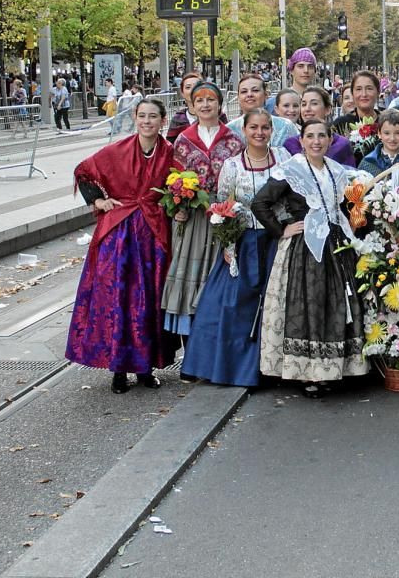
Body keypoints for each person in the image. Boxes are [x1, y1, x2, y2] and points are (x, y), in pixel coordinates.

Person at [67, 98, 179, 394]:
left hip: (154, 235)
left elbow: (181, 186)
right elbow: (84, 170)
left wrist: (177, 203)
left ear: (162, 121)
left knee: (150, 301)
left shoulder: (170, 153)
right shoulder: (118, 150)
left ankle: (145, 368)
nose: (147, 122)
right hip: (119, 236)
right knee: (119, 299)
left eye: (153, 117)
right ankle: (118, 369)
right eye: (142, 116)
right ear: (135, 119)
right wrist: (99, 201)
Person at [252, 118, 370, 393]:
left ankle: (333, 368)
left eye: (322, 136)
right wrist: (282, 228)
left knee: (336, 302)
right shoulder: (291, 169)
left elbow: (350, 200)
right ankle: (308, 372)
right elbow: (260, 203)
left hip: (337, 246)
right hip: (304, 248)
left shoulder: (336, 170)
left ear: (330, 140)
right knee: (309, 303)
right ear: (302, 141)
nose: (316, 141)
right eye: (311, 136)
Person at [179, 109, 291, 388]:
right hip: (244, 240)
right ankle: (233, 367)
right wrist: (228, 243)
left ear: (271, 131)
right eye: (254, 127)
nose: (259, 133)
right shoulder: (232, 165)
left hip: (276, 238)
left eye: (265, 128)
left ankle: (273, 367)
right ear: (244, 130)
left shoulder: (284, 159)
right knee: (232, 304)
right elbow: (220, 204)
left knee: (275, 302)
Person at [160, 81, 245, 346]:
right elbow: (174, 179)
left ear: (220, 104)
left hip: (224, 217)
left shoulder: (234, 140)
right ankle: (191, 349)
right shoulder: (183, 140)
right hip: (194, 218)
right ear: (192, 106)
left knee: (219, 277)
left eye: (211, 100)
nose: (205, 105)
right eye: (199, 101)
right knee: (190, 276)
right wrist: (178, 208)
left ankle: (217, 347)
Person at [284, 86, 356, 166]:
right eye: (304, 104)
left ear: (328, 109)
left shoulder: (341, 144)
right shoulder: (291, 144)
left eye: (314, 104)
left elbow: (350, 175)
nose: (307, 109)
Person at [229, 74, 295, 147]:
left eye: (255, 90)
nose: (249, 94)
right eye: (244, 91)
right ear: (238, 97)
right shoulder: (229, 130)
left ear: (266, 95)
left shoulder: (285, 127)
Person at [333, 70, 384, 160]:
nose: (364, 94)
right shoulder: (340, 125)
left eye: (369, 89)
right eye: (358, 89)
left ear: (378, 92)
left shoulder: (386, 122)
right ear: (353, 93)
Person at [359, 108, 399, 174]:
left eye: (398, 133)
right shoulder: (368, 162)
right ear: (379, 133)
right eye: (387, 133)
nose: (392, 138)